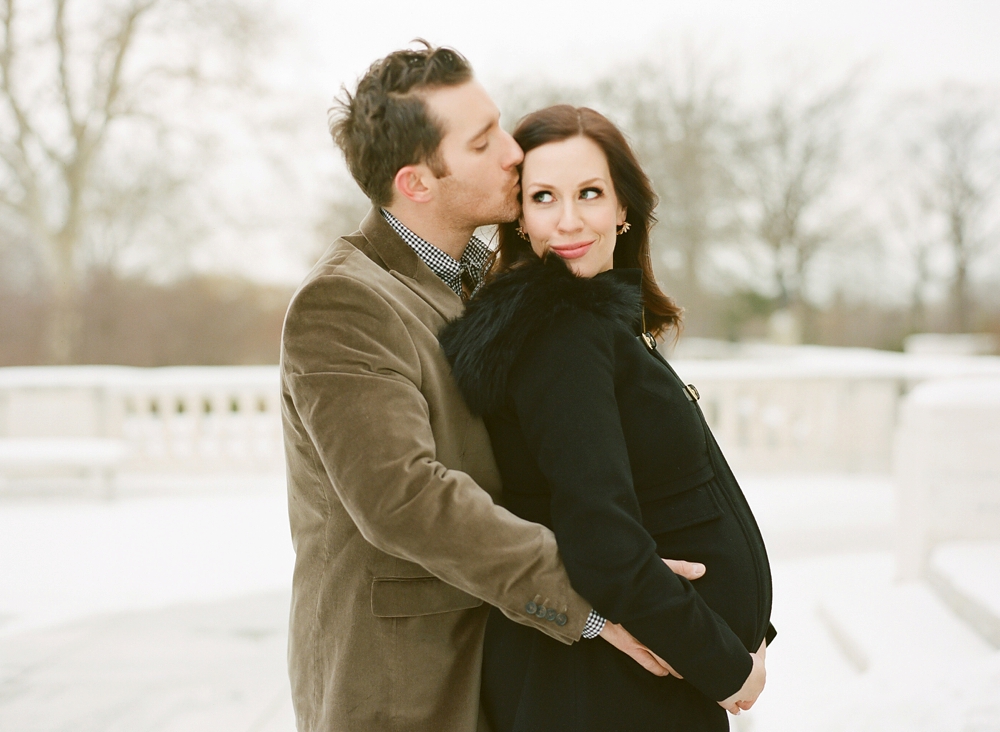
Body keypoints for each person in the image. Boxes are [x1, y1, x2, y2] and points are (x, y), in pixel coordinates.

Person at [280, 43, 706, 732]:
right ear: (418, 182)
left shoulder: (489, 285)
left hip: (515, 674)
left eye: (501, 126)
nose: (515, 153)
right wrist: (597, 597)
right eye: (484, 143)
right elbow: (403, 498)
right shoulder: (345, 304)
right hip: (406, 692)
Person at [439, 105, 777, 731]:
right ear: (519, 214)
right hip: (604, 690)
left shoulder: (597, 322)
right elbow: (602, 539)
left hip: (635, 680)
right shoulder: (563, 332)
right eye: (543, 197)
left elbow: (673, 501)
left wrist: (745, 622)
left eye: (589, 193)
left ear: (624, 207)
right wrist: (723, 662)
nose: (568, 220)